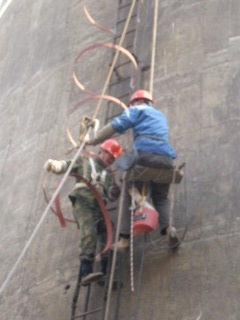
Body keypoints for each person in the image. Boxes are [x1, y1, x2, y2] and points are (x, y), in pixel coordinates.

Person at [87, 90, 178, 248]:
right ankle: (169, 229)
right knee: (161, 198)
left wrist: (94, 140)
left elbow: (117, 125)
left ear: (137, 101)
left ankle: (124, 239)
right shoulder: (161, 116)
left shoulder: (136, 110)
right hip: (166, 160)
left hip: (145, 156)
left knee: (127, 193)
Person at [45, 139, 122, 284]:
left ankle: (105, 273)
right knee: (89, 231)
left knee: (108, 233)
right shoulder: (85, 161)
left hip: (99, 208)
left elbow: (110, 195)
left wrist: (114, 193)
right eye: (110, 157)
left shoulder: (109, 175)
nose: (111, 161)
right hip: (84, 202)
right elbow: (67, 166)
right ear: (103, 151)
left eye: (113, 159)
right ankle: (86, 271)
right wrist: (55, 166)